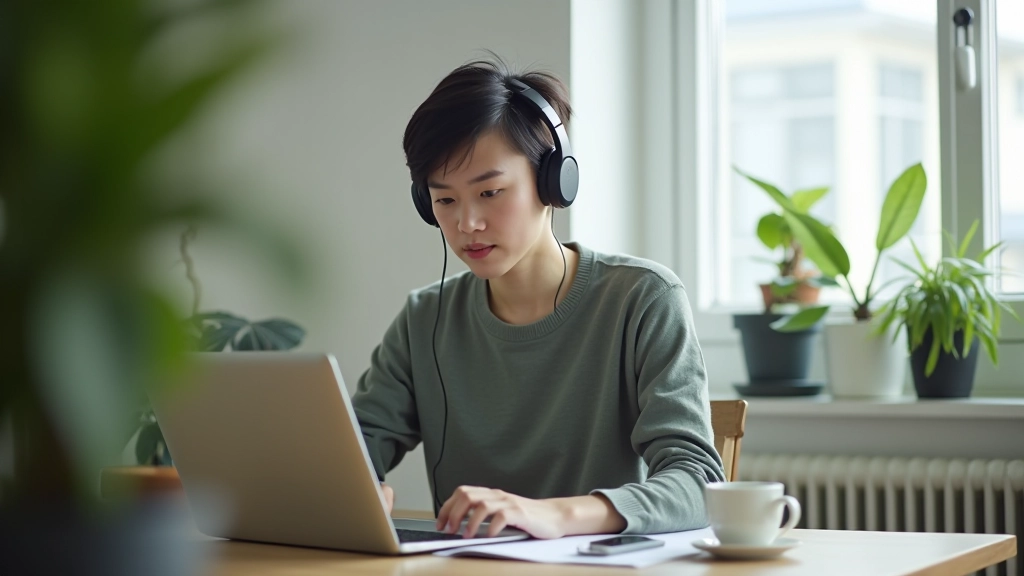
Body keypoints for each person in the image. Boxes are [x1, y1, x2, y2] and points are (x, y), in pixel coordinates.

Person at [351, 57, 724, 541]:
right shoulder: (426, 318)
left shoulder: (642, 299)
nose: (467, 224)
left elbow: (698, 482)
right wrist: (355, 486)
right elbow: (353, 447)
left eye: (490, 192)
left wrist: (552, 515)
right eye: (444, 200)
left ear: (554, 181)